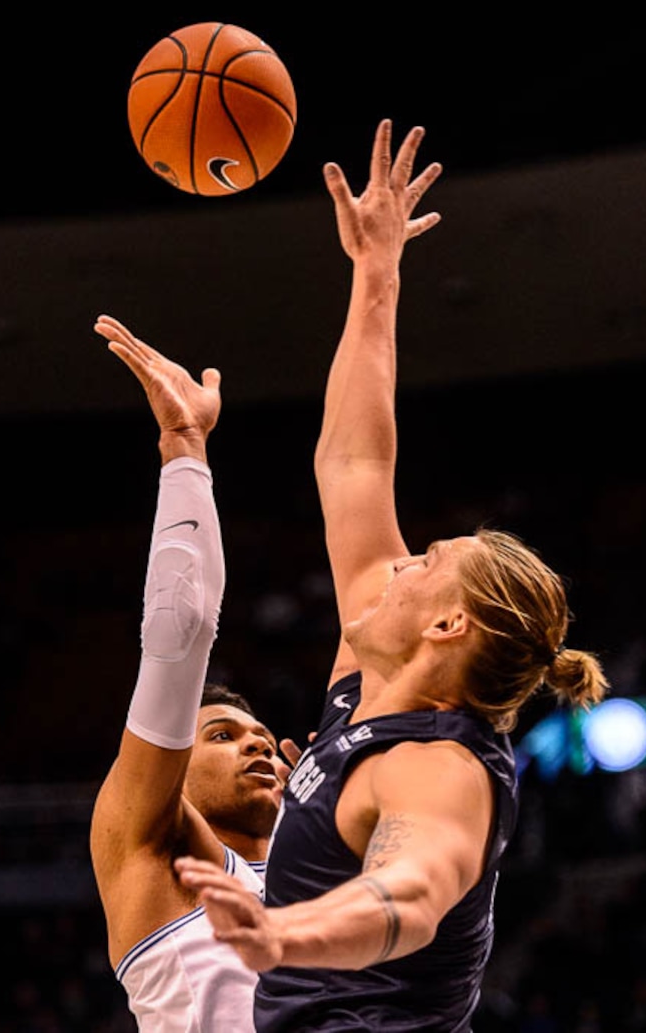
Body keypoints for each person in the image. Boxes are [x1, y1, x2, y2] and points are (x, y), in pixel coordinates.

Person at [174, 119, 611, 1031]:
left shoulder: (439, 767)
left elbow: (407, 899)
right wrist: (377, 273)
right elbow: (356, 468)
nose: (399, 562)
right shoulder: (369, 683)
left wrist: (282, 937)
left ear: (446, 627)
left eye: (425, 564)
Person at [89, 314, 296, 1032]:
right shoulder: (148, 841)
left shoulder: (329, 888)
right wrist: (184, 448)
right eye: (224, 734)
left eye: (263, 736)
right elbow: (179, 631)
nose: (259, 744)